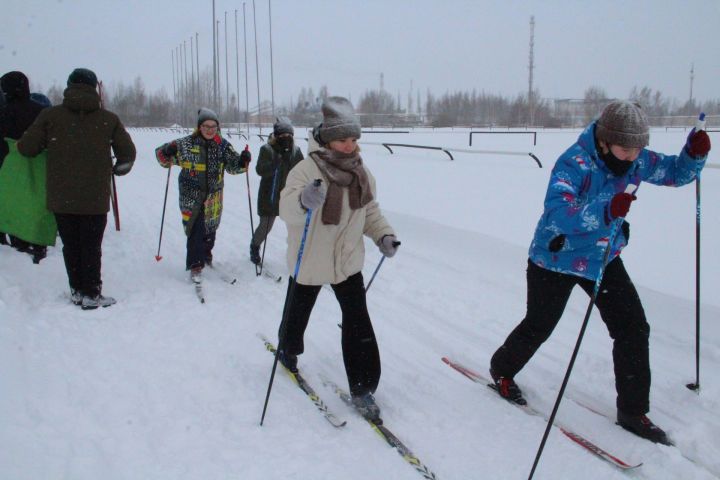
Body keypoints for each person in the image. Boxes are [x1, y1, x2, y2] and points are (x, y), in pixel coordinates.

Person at [488, 101, 711, 446]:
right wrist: (606, 210)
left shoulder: (637, 159)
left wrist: (693, 156)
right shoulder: (573, 163)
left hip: (602, 258)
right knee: (539, 325)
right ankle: (502, 369)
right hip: (555, 259)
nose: (632, 156)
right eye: (625, 148)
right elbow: (559, 214)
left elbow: (674, 174)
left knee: (633, 327)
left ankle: (633, 411)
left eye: (638, 148)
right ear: (606, 140)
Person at [277, 96, 400, 422]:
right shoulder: (305, 169)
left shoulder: (362, 174)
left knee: (358, 322)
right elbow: (286, 209)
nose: (350, 146)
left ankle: (363, 389)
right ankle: (288, 350)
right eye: (343, 139)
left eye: (354, 139)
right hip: (311, 258)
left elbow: (370, 211)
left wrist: (383, 235)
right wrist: (303, 200)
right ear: (328, 137)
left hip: (347, 262)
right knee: (297, 313)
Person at [17, 68, 137, 309]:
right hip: (95, 196)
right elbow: (128, 154)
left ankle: (77, 290)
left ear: (69, 86)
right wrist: (117, 170)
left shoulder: (50, 116)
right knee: (91, 245)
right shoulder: (108, 119)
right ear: (94, 88)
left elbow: (26, 148)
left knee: (71, 245)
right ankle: (92, 293)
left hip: (62, 195)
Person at [155, 108, 251, 282]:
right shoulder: (186, 144)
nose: (210, 129)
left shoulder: (222, 146)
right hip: (191, 196)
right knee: (195, 230)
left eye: (213, 126)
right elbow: (161, 157)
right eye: (206, 126)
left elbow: (233, 166)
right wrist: (167, 151)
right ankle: (195, 265)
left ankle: (206, 257)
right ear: (199, 127)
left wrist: (243, 160)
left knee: (210, 230)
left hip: (214, 197)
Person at [0, 71, 50, 260]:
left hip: (8, 167)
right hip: (38, 166)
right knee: (35, 205)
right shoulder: (41, 111)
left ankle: (13, 241)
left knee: (11, 204)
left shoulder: (3, 112)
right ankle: (37, 243)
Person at [249, 116, 304, 265]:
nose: (286, 138)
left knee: (296, 227)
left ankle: (298, 253)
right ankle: (254, 246)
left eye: (289, 135)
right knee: (265, 227)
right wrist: (275, 163)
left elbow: (303, 171)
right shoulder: (267, 150)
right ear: (276, 135)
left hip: (289, 196)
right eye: (282, 135)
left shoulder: (295, 152)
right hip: (269, 196)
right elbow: (260, 170)